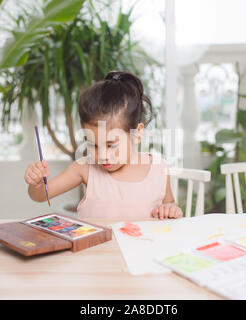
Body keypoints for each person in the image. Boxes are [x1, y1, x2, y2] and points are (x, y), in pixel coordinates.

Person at [24, 71, 183, 219]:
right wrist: (37, 184)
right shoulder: (84, 168)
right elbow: (40, 196)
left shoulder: (158, 168)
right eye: (92, 144)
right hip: (97, 250)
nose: (102, 155)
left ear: (137, 133)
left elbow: (169, 204)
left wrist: (170, 209)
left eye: (111, 145)